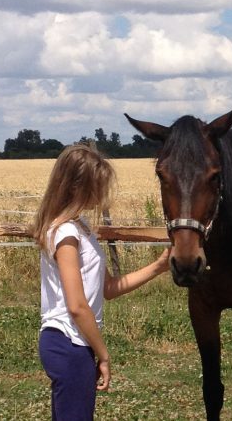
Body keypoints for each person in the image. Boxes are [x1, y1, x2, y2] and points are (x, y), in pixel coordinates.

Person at [31, 144, 170, 420]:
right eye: (99, 185)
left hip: (73, 344)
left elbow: (108, 288)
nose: (103, 192)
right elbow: (77, 306)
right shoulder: (67, 235)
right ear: (78, 186)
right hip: (68, 344)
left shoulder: (81, 228)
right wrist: (103, 354)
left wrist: (159, 266)